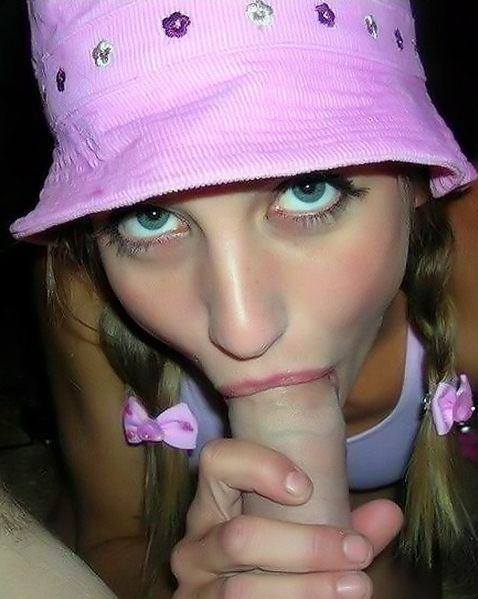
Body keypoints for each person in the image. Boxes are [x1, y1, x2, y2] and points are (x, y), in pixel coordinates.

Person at [11, 0, 477, 597]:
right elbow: (111, 539)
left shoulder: (467, 251)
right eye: (150, 219)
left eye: (308, 189)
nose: (242, 331)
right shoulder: (85, 290)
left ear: (415, 176)